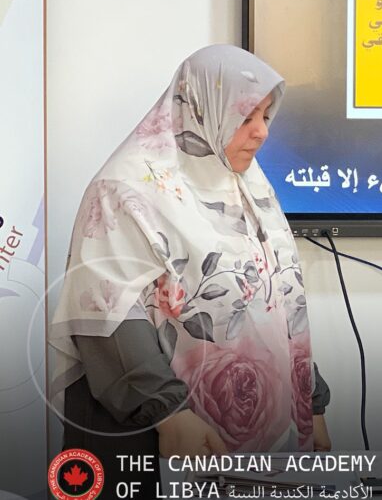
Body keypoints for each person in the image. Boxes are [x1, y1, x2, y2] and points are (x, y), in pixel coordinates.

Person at [49, 45, 331, 490]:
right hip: (152, 430)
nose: (261, 132)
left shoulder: (249, 187)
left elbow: (277, 299)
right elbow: (107, 313)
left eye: (266, 116)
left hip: (248, 429)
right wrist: (169, 413)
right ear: (202, 109)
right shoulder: (124, 190)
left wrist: (309, 401)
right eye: (246, 117)